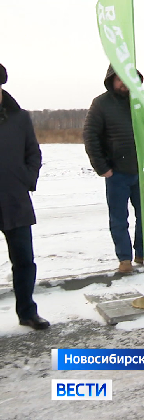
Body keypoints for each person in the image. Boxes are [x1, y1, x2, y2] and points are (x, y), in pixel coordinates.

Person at [83, 65, 144, 274]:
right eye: (119, 78)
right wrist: (103, 168)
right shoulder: (101, 104)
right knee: (119, 218)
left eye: (128, 77)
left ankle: (143, 253)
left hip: (142, 171)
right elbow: (90, 136)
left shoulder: (142, 98)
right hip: (116, 172)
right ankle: (124, 259)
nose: (124, 82)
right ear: (111, 80)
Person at [0, 63, 49, 330]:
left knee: (24, 261)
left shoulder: (18, 117)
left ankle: (28, 312)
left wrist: (26, 178)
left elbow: (33, 153)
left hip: (14, 199)